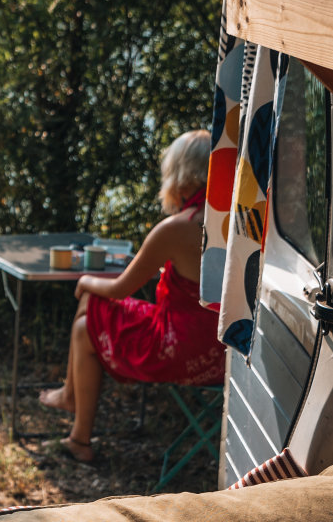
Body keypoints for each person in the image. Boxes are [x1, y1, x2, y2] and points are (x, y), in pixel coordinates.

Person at [39, 130, 224, 462]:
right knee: (89, 316)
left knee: (89, 312)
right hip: (225, 353)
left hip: (182, 349)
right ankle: (73, 414)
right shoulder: (238, 221)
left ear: (181, 177)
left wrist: (85, 279)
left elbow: (119, 288)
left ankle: (78, 430)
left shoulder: (177, 228)